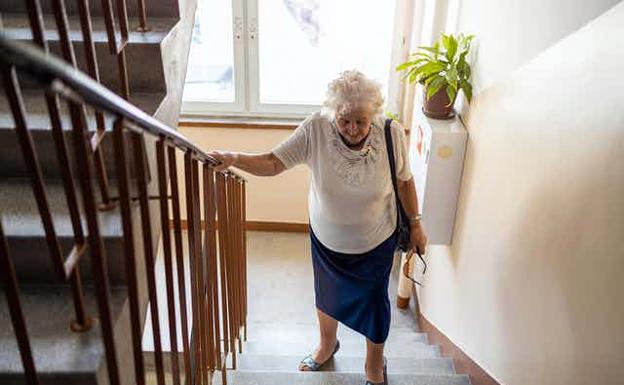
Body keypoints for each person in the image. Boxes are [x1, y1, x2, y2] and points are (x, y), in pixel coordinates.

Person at [209, 70, 427, 385]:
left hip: (376, 241)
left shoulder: (391, 133)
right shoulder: (315, 128)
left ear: (373, 116)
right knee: (328, 296)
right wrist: (234, 157)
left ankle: (374, 367)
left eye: (361, 121)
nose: (352, 129)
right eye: (345, 120)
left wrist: (417, 224)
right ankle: (326, 346)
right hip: (328, 241)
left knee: (374, 305)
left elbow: (405, 182)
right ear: (333, 113)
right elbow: (273, 162)